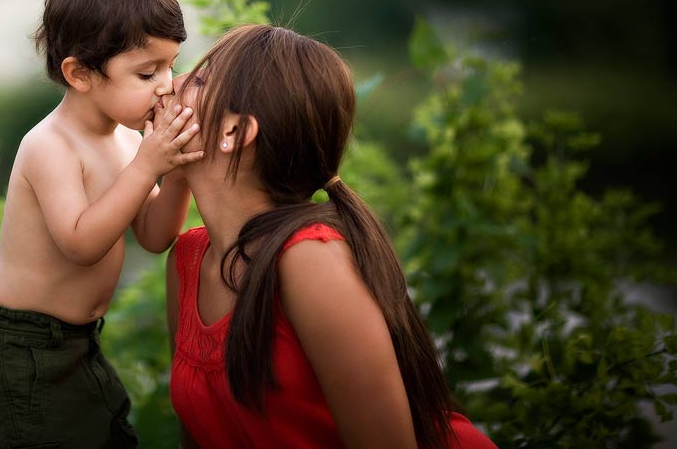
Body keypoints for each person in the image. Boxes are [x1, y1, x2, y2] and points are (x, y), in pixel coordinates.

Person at [165, 24, 498, 449]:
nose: (171, 84)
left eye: (196, 79)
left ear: (233, 132)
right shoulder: (190, 258)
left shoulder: (309, 260)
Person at [0, 0, 205, 449]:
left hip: (78, 342)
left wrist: (175, 174)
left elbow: (156, 237)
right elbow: (80, 242)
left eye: (171, 66)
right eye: (146, 73)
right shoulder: (49, 145)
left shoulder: (126, 143)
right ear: (80, 74)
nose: (166, 85)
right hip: (20, 347)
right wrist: (148, 167)